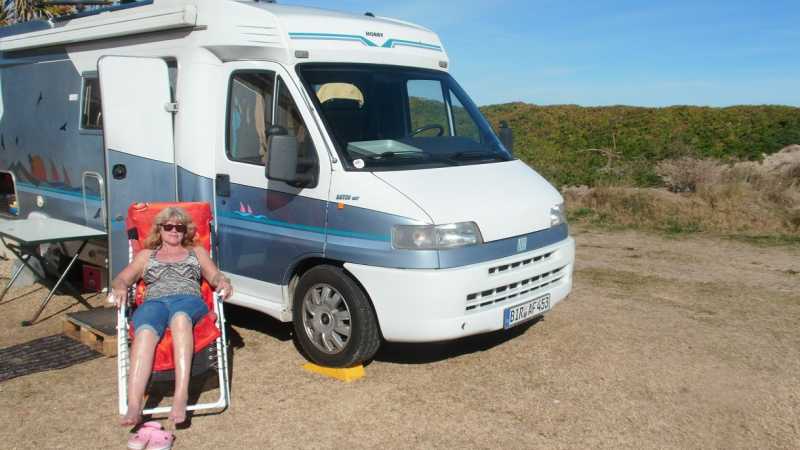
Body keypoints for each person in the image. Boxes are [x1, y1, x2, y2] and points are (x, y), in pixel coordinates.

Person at [111, 206, 233, 426]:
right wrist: (119, 287)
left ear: (186, 230)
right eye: (168, 226)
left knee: (180, 318)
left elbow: (214, 275)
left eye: (180, 227)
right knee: (145, 332)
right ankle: (134, 404)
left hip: (188, 300)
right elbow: (122, 279)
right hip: (154, 303)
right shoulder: (146, 255)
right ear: (159, 229)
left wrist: (223, 281)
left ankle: (180, 396)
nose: (174, 230)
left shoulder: (196, 252)